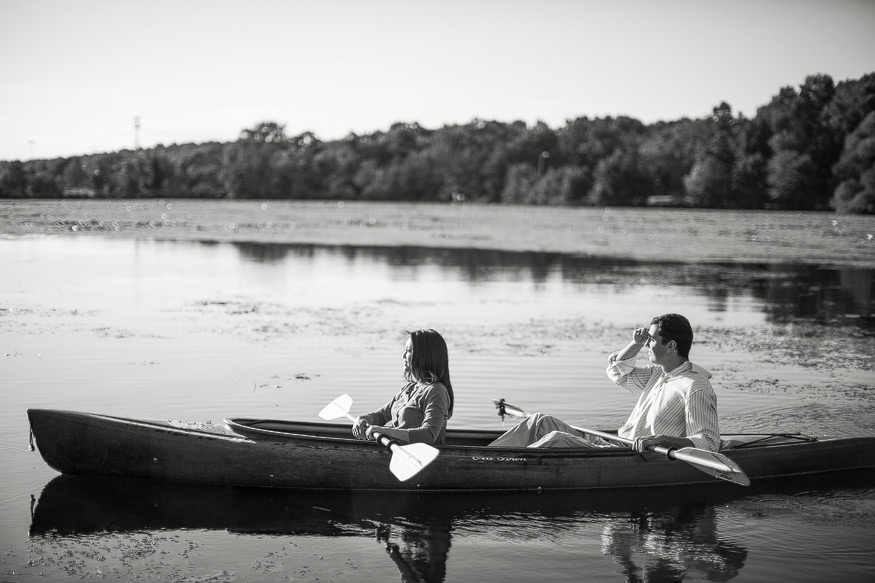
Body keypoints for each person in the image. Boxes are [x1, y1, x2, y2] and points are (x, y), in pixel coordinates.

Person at [489, 313, 720, 453]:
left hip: (630, 456)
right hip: (615, 444)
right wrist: (635, 344)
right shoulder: (658, 375)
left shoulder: (694, 386)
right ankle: (484, 458)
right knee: (539, 421)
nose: (648, 345)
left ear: (671, 347)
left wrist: (661, 440)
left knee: (556, 440)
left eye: (651, 341)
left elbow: (708, 443)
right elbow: (616, 372)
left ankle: (503, 468)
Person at [352, 329, 454, 445]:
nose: (403, 355)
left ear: (424, 356)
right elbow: (380, 416)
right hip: (395, 450)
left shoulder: (436, 391)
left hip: (418, 457)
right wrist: (361, 419)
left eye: (409, 351)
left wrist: (385, 431)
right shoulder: (408, 389)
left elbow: (428, 435)